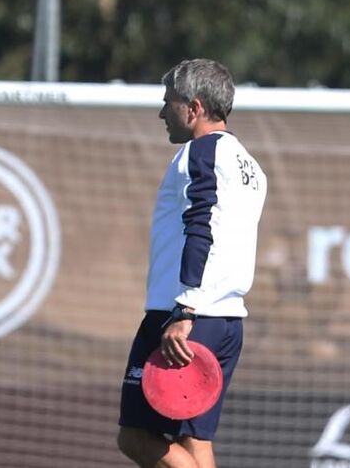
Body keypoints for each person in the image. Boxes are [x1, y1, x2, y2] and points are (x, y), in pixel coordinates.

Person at [117, 59, 267, 468]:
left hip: (186, 316)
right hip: (226, 319)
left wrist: (185, 310)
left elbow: (204, 228)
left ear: (194, 107)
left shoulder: (202, 153)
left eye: (169, 102)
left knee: (134, 436)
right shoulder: (249, 164)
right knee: (195, 441)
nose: (162, 112)